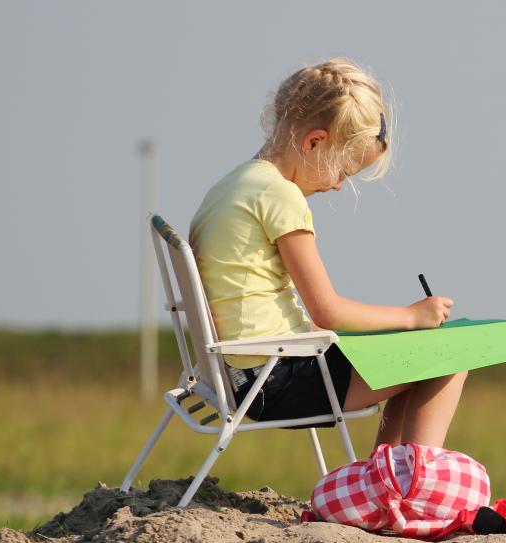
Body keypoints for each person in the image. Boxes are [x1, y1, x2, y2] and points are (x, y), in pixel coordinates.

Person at [190, 58, 466, 449]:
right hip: (277, 380)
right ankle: (414, 485)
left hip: (243, 374)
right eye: (343, 170)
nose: (338, 185)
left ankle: (388, 480)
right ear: (314, 142)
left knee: (412, 355)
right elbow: (327, 311)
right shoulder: (279, 196)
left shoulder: (232, 185)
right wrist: (412, 316)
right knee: (448, 355)